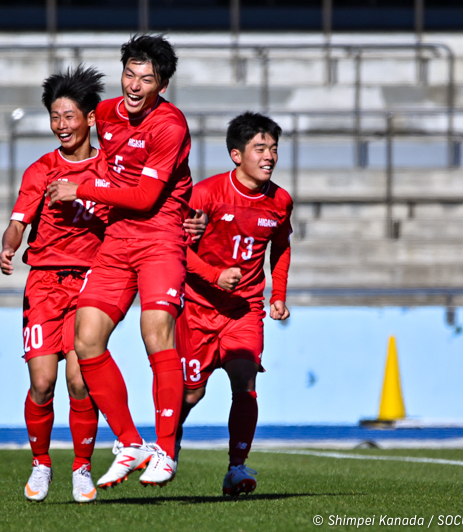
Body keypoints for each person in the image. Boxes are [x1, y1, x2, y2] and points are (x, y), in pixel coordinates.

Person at [47, 34, 193, 489]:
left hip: (160, 236)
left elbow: (148, 196)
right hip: (117, 238)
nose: (134, 84)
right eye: (129, 73)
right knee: (85, 338)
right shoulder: (107, 113)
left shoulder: (170, 126)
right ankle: (130, 442)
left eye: (145, 78)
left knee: (156, 332)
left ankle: (165, 451)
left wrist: (83, 188)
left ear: (161, 84)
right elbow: (77, 125)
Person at [0, 65, 108, 504]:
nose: (61, 126)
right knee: (43, 383)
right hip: (43, 285)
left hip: (92, 282)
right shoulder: (40, 170)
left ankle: (82, 468)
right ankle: (41, 463)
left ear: (91, 118)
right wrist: (8, 246)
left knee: (80, 381)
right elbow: (17, 222)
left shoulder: (109, 168)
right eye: (55, 117)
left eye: (69, 116)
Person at [175, 112, 292, 496]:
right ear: (236, 154)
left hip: (244, 310)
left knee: (244, 381)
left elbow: (282, 246)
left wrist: (277, 296)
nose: (269, 156)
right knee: (191, 393)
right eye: (260, 148)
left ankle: (237, 467)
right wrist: (213, 276)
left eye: (273, 148)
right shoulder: (206, 194)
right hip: (198, 306)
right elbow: (178, 250)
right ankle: (168, 441)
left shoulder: (280, 201)